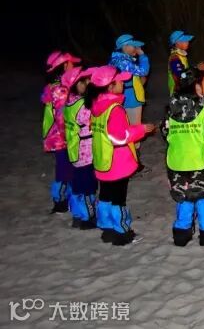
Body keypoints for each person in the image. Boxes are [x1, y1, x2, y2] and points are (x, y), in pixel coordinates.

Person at [90, 65, 155, 245]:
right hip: (117, 162)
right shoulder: (114, 109)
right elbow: (119, 137)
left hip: (103, 159)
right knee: (118, 198)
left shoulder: (96, 106)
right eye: (119, 81)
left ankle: (107, 228)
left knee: (105, 195)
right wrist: (141, 129)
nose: (123, 83)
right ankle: (122, 233)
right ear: (110, 86)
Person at [160, 68, 204, 246]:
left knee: (184, 195)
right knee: (203, 195)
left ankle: (181, 234)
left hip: (177, 160)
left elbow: (165, 131)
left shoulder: (170, 107)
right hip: (200, 161)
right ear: (197, 86)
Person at [42, 51, 79, 213]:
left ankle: (64, 200)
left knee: (65, 168)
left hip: (55, 135)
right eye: (71, 63)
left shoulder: (54, 85)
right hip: (61, 137)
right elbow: (61, 116)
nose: (73, 65)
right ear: (64, 66)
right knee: (65, 170)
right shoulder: (61, 89)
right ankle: (60, 201)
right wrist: (69, 136)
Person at [63, 66, 97, 229]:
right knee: (87, 187)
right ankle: (87, 218)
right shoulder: (83, 105)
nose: (90, 83)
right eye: (87, 81)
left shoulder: (70, 102)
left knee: (77, 185)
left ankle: (77, 215)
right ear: (79, 84)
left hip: (74, 149)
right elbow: (93, 120)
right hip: (85, 151)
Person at [109, 34, 150, 126]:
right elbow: (144, 71)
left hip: (122, 98)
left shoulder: (115, 59)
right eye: (133, 46)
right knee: (134, 128)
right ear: (125, 46)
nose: (136, 48)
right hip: (130, 100)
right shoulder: (123, 62)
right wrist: (142, 55)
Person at [167, 30, 194, 97]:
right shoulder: (175, 58)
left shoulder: (181, 56)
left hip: (184, 88)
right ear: (178, 43)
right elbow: (180, 74)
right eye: (185, 41)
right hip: (178, 91)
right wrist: (195, 69)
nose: (188, 43)